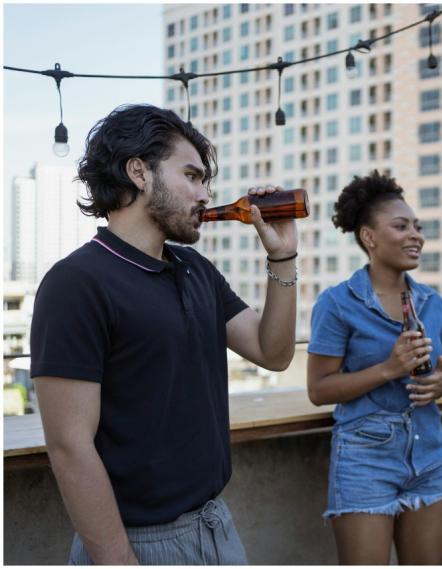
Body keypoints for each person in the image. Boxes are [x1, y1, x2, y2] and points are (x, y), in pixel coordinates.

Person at [30, 104, 300, 565]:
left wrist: (283, 256)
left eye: (205, 181)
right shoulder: (76, 283)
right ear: (139, 172)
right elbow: (70, 448)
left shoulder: (196, 269)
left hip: (216, 527)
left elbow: (272, 353)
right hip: (137, 544)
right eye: (191, 176)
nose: (205, 194)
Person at [306, 171, 442, 564]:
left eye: (418, 227)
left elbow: (441, 375)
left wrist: (441, 385)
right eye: (401, 226)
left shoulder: (432, 303)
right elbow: (319, 389)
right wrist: (388, 369)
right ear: (369, 237)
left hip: (430, 454)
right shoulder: (337, 303)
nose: (416, 235)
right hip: (364, 460)